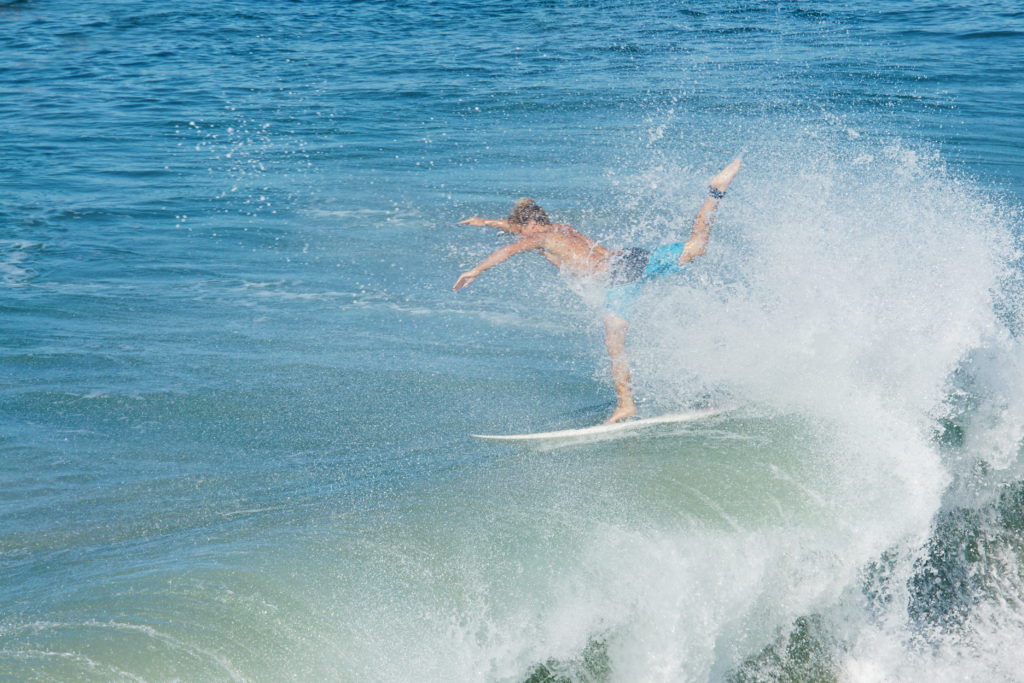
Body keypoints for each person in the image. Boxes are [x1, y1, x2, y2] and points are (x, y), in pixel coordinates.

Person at [453, 158, 742, 423]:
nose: (519, 233)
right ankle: (715, 194)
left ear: (530, 225)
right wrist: (486, 222)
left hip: (617, 278)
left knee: (614, 346)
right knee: (696, 247)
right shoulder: (560, 228)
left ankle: (626, 405)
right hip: (631, 259)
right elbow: (515, 231)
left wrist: (476, 270)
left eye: (520, 228)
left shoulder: (537, 237)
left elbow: (510, 249)